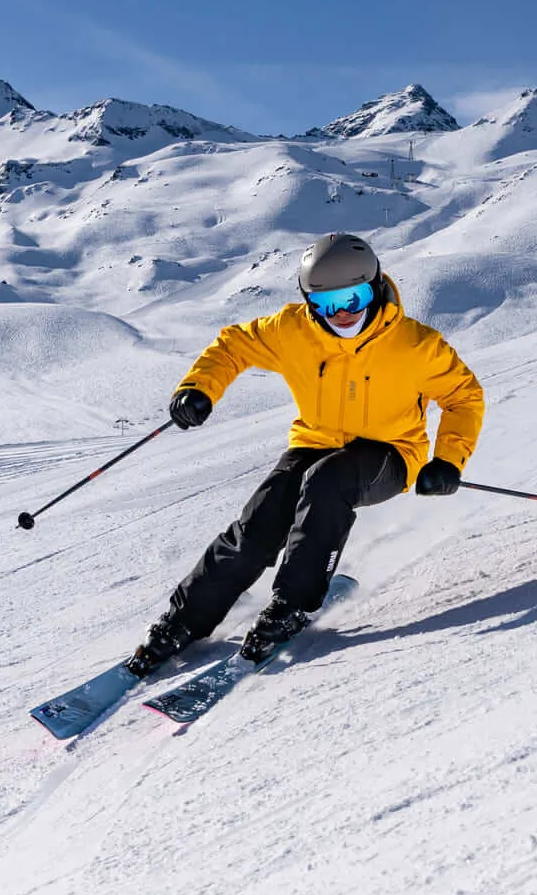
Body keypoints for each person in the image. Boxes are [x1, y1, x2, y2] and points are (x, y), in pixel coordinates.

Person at [124, 233, 485, 676]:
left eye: (353, 298)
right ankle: (186, 618)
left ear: (373, 287)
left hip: (391, 453)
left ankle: (291, 605)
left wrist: (449, 459)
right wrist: (198, 387)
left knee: (328, 482)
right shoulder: (293, 330)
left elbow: (463, 398)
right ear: (308, 301)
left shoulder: (415, 344)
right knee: (259, 522)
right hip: (314, 442)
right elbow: (234, 344)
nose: (342, 314)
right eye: (326, 303)